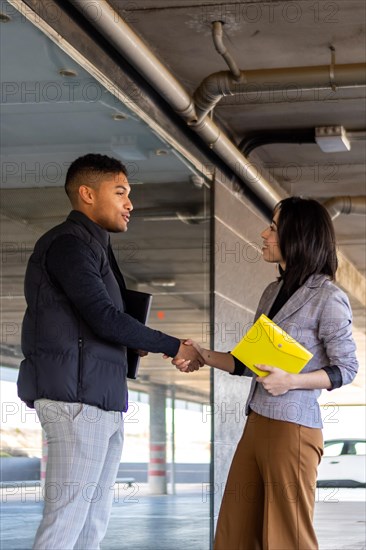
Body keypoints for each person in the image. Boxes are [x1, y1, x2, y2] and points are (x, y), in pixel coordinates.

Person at [17, 153, 203, 550]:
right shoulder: (69, 244)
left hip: (99, 398)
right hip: (76, 401)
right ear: (87, 193)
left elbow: (97, 321)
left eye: (129, 194)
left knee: (92, 521)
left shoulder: (94, 246)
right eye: (120, 192)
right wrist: (173, 346)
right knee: (67, 517)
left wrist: (134, 338)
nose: (129, 204)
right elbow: (103, 317)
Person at [173, 197, 359, 550]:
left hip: (294, 430)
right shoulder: (272, 292)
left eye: (273, 227)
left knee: (287, 538)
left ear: (298, 235)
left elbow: (346, 369)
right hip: (256, 422)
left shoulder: (328, 297)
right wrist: (203, 354)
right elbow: (248, 362)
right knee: (235, 534)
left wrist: (293, 380)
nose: (264, 233)